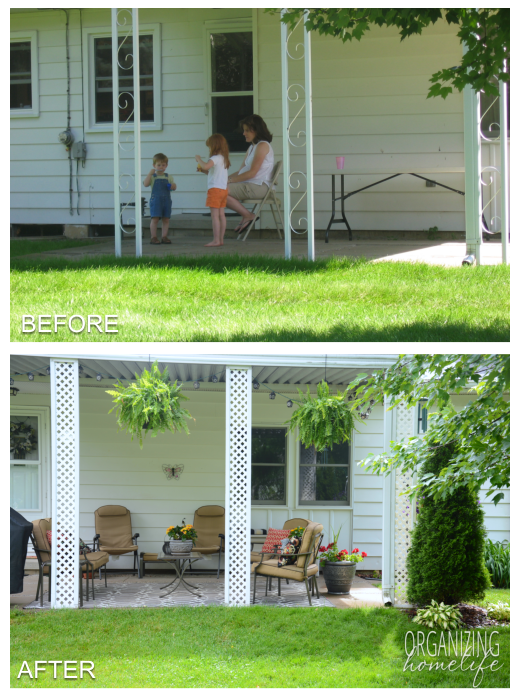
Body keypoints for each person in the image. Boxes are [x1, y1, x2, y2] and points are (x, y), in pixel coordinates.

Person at [226, 115, 275, 235]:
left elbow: (252, 173)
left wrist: (230, 181)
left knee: (218, 191)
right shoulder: (252, 147)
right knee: (217, 188)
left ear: (257, 130)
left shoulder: (263, 146)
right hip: (251, 185)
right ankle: (246, 215)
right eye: (244, 130)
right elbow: (241, 171)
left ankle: (248, 215)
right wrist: (225, 178)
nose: (244, 133)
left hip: (260, 187)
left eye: (247, 130)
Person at [195, 134, 230, 247]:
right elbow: (211, 172)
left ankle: (216, 240)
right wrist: (203, 171)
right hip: (223, 190)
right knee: (221, 215)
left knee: (214, 216)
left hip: (214, 191)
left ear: (214, 146)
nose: (209, 149)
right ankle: (221, 239)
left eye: (209, 147)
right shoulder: (223, 159)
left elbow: (205, 166)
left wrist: (199, 159)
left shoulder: (214, 158)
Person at [143, 153, 177, 244]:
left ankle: (164, 236)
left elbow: (174, 187)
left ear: (166, 166)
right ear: (154, 165)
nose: (161, 167)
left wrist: (173, 186)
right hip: (156, 200)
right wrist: (149, 174)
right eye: (159, 165)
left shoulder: (168, 176)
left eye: (163, 165)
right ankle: (153, 237)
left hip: (166, 200)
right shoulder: (153, 177)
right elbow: (145, 184)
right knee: (155, 219)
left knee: (166, 219)